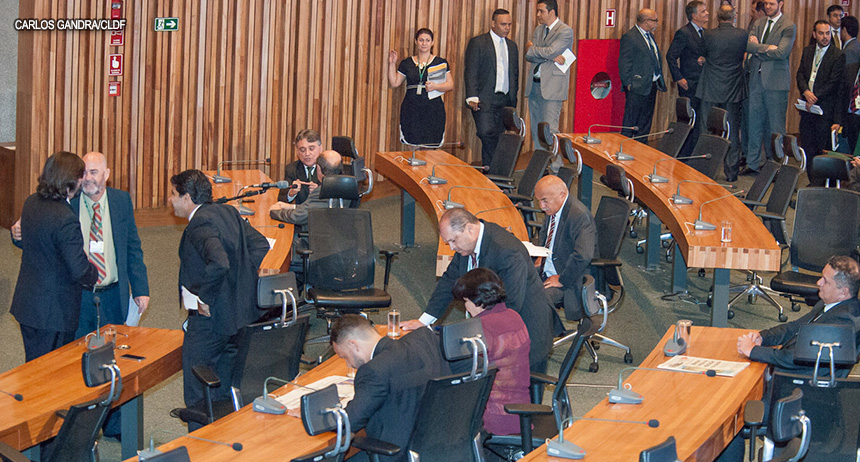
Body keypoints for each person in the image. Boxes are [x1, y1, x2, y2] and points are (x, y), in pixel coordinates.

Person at [170, 169, 270, 430]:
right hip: (237, 316)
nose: (171, 200)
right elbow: (260, 245)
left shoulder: (199, 224)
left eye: (173, 194)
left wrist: (206, 296)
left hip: (209, 322)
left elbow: (219, 263)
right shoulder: (228, 212)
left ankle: (201, 442)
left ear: (187, 197)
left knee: (198, 388)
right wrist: (240, 277)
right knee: (225, 385)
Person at [400, 208, 557, 373]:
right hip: (492, 331)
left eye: (453, 240)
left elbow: (511, 304)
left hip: (526, 332)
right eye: (448, 243)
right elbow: (449, 281)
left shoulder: (507, 251)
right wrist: (424, 321)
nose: (452, 247)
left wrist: (472, 333)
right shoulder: (467, 245)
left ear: (469, 229)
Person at [10, 151, 98, 362]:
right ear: (71, 180)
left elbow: (31, 242)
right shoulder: (65, 217)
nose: (82, 181)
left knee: (33, 367)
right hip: (54, 313)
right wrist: (94, 274)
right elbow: (78, 268)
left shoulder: (31, 202)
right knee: (52, 372)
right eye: (80, 176)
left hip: (28, 306)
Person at [331, 314, 451, 462]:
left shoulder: (373, 371)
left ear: (354, 345)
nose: (349, 364)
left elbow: (348, 423)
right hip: (442, 444)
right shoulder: (424, 339)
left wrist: (320, 416)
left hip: (399, 454)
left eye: (344, 356)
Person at [737, 255, 860, 373]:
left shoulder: (843, 322)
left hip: (799, 381)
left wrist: (753, 351)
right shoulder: (830, 304)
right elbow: (795, 327)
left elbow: (795, 358)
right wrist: (763, 337)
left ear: (843, 292)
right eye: (821, 277)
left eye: (826, 281)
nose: (819, 282)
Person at [452, 268, 529, 436]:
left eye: (466, 301)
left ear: (477, 300)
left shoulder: (481, 327)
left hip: (493, 416)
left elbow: (464, 370)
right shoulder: (514, 316)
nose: (466, 307)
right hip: (521, 412)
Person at [533, 175, 597, 322]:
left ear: (562, 195)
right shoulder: (554, 207)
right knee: (513, 277)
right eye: (539, 200)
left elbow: (583, 256)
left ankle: (547, 334)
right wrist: (541, 254)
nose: (541, 206)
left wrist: (562, 279)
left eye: (544, 200)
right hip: (549, 263)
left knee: (536, 302)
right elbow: (546, 234)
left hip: (568, 274)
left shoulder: (579, 216)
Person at [698, 5, 750, 182]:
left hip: (710, 87)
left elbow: (703, 54)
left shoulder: (708, 35)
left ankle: (705, 171)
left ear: (717, 17)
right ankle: (731, 174)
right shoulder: (742, 34)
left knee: (707, 130)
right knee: (733, 130)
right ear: (734, 17)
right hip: (733, 88)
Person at [744, 0, 796, 176]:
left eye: (772, 4)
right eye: (766, 3)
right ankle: (752, 163)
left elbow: (781, 52)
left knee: (776, 128)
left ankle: (776, 167)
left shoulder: (788, 26)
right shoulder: (758, 23)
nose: (767, 7)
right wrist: (767, 48)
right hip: (756, 80)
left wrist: (757, 48)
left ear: (781, 4)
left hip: (776, 83)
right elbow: (748, 46)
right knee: (754, 124)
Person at [464, 9, 519, 168]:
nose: (507, 28)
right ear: (493, 23)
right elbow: (471, 71)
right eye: (503, 24)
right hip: (484, 99)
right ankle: (494, 170)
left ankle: (491, 173)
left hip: (505, 100)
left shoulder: (512, 46)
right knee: (486, 133)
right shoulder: (478, 43)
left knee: (500, 136)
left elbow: (515, 74)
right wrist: (472, 96)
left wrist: (513, 98)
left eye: (509, 24)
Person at [525, 0, 574, 173]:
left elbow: (548, 51)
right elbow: (529, 55)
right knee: (537, 129)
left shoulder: (565, 31)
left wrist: (537, 50)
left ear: (551, 12)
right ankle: (542, 165)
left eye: (541, 11)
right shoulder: (539, 30)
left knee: (550, 130)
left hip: (552, 88)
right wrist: (550, 56)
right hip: (534, 85)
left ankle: (557, 166)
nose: (538, 15)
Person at [388, 28, 454, 147]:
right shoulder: (407, 63)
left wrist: (436, 86)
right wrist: (392, 64)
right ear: (416, 42)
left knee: (430, 145)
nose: (424, 43)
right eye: (421, 40)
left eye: (427, 40)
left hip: (433, 109)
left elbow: (450, 84)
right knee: (412, 144)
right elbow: (395, 83)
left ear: (432, 42)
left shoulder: (440, 62)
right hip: (411, 108)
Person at [797, 20, 844, 166]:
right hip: (807, 109)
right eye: (821, 33)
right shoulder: (808, 51)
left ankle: (820, 178)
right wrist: (806, 91)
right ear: (814, 34)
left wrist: (814, 96)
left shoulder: (837, 55)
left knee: (821, 149)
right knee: (807, 146)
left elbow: (833, 82)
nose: (825, 37)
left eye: (827, 33)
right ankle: (810, 176)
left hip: (824, 109)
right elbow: (800, 74)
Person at [666, 1, 708, 158]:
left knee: (700, 121)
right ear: (694, 15)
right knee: (688, 119)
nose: (707, 13)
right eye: (703, 11)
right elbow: (671, 56)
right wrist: (679, 78)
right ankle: (683, 155)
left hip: (703, 83)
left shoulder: (705, 33)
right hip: (688, 83)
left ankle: (694, 154)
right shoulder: (684, 33)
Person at [619, 9, 668, 138]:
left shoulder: (650, 36)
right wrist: (628, 83)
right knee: (631, 120)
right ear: (646, 22)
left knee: (645, 121)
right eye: (655, 20)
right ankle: (626, 145)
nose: (657, 23)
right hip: (637, 86)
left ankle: (641, 144)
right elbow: (624, 62)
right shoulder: (630, 37)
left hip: (651, 84)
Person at [269, 150, 343, 228]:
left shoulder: (322, 191)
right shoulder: (346, 187)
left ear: (318, 168)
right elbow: (314, 207)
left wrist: (275, 212)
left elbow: (298, 217)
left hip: (318, 233)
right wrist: (292, 207)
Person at [279, 129, 323, 204]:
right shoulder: (292, 169)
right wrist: (291, 193)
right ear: (297, 152)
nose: (307, 153)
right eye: (302, 150)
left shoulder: (327, 167)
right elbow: (281, 199)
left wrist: (320, 192)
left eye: (311, 149)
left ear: (320, 149)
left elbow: (336, 199)